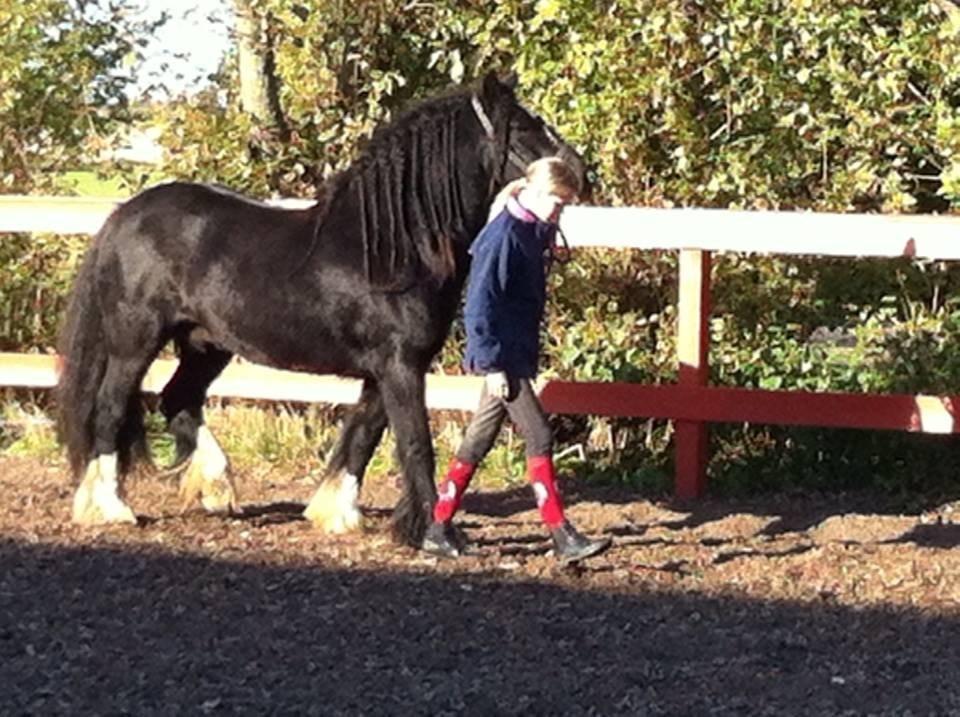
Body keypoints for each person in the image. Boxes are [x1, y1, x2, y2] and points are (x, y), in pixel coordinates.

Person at [422, 157, 612, 563]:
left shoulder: (527, 230)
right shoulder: (504, 237)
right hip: (503, 356)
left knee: (478, 438)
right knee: (540, 435)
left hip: (513, 350)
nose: (561, 212)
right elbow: (478, 305)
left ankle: (437, 526)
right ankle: (561, 535)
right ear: (538, 193)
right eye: (558, 204)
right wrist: (492, 365)